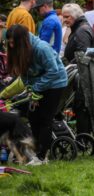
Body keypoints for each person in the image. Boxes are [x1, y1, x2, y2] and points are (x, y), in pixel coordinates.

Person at [5, 25, 69, 164]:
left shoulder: (41, 48)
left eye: (13, 42)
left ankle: (41, 157)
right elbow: (25, 75)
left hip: (55, 84)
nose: (11, 45)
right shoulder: (21, 50)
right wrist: (31, 89)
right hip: (37, 86)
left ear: (22, 40)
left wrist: (36, 88)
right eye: (9, 42)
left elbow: (54, 71)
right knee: (33, 117)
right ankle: (35, 153)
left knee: (45, 119)